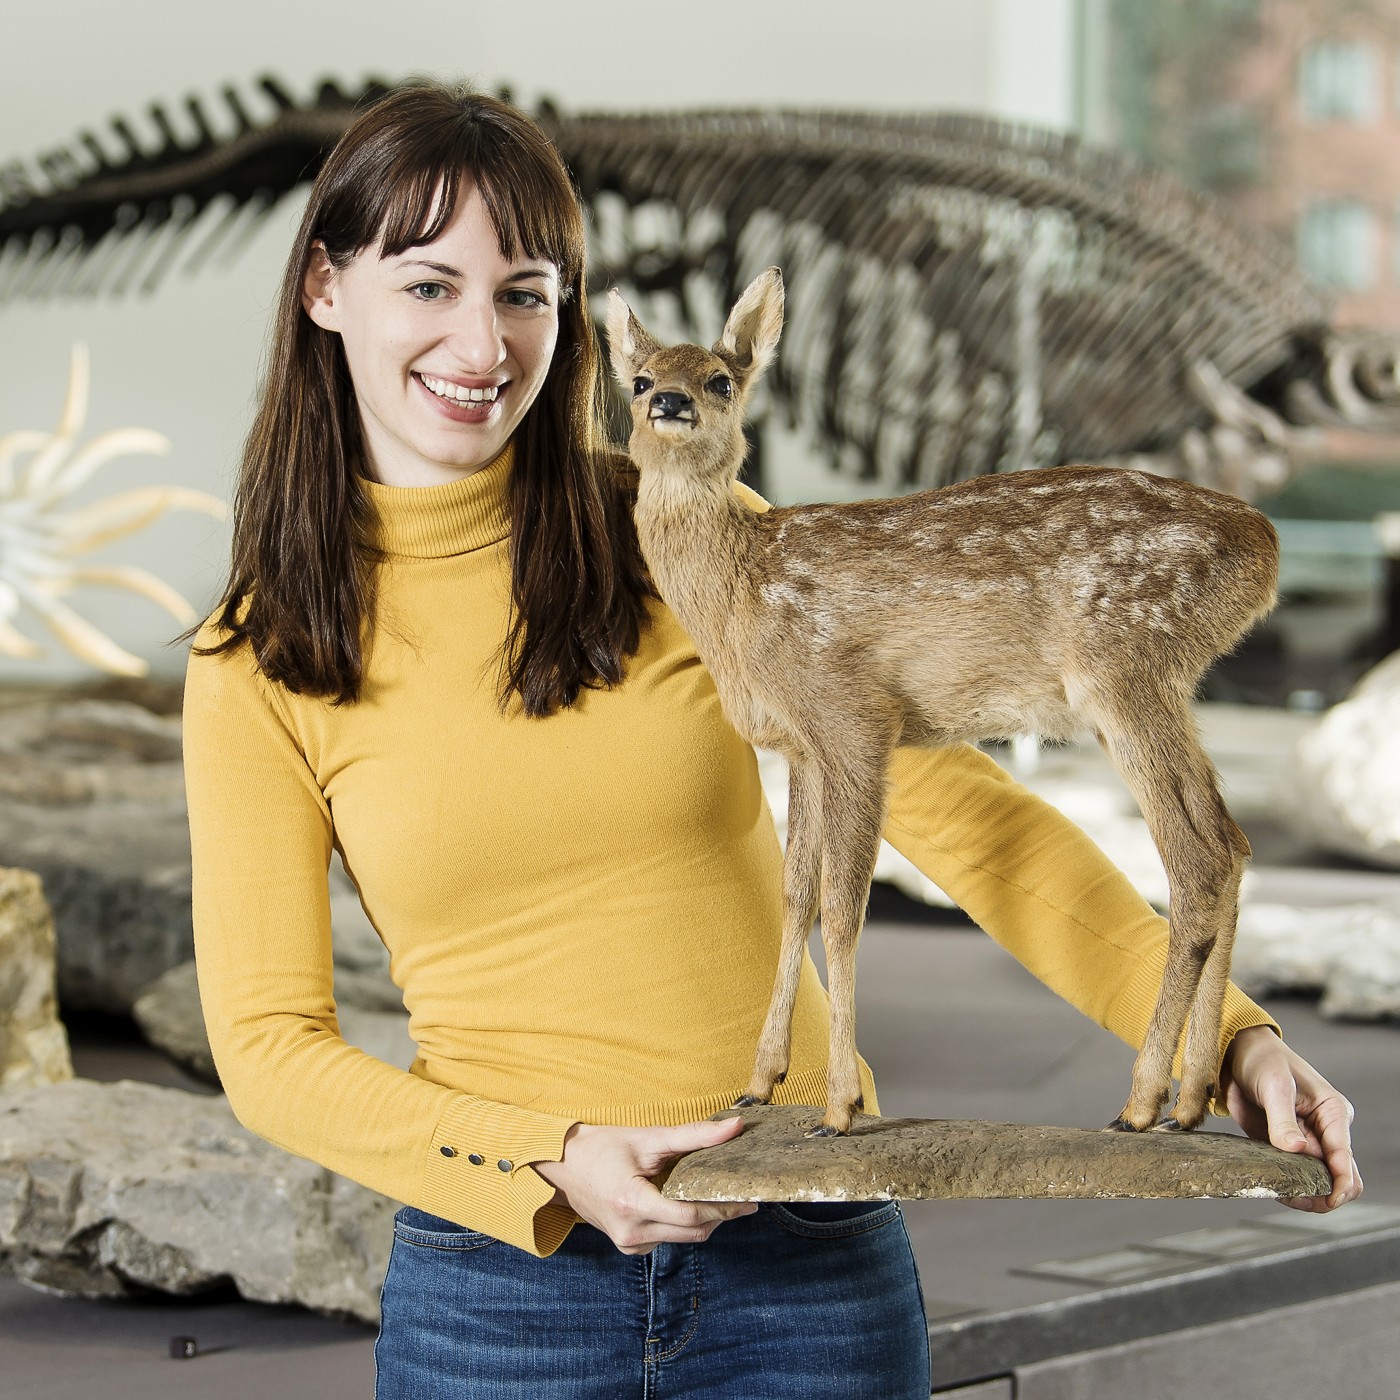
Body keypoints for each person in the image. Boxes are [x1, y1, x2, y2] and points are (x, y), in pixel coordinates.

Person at [180, 80, 1363, 1400]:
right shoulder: (258, 659)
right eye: (427, 285)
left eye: (525, 290)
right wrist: (553, 1154)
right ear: (326, 290)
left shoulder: (683, 540)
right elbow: (272, 1049)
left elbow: (972, 824)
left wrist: (1234, 1038)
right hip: (502, 1289)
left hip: (805, 1256)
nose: (484, 338)